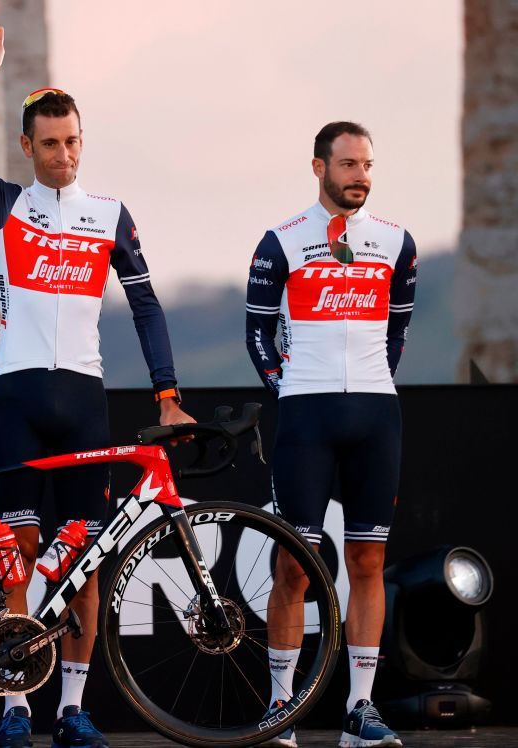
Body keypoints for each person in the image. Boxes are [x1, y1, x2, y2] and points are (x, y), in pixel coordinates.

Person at [0, 7, 194, 748]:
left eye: (73, 141)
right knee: (15, 557)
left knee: (84, 559)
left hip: (84, 397)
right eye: (50, 144)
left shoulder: (110, 215)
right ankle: (16, 708)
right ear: (27, 147)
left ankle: (72, 709)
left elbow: (146, 305)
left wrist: (168, 395)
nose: (64, 155)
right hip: (19, 395)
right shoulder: (7, 206)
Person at [245, 121, 417, 748]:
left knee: (368, 560)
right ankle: (281, 709)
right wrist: (290, 388)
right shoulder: (281, 241)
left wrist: (372, 380)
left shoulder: (397, 242)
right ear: (318, 168)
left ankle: (360, 709)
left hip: (376, 413)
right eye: (347, 165)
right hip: (307, 416)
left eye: (367, 165)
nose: (360, 176)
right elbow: (258, 334)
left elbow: (398, 329)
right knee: (294, 564)